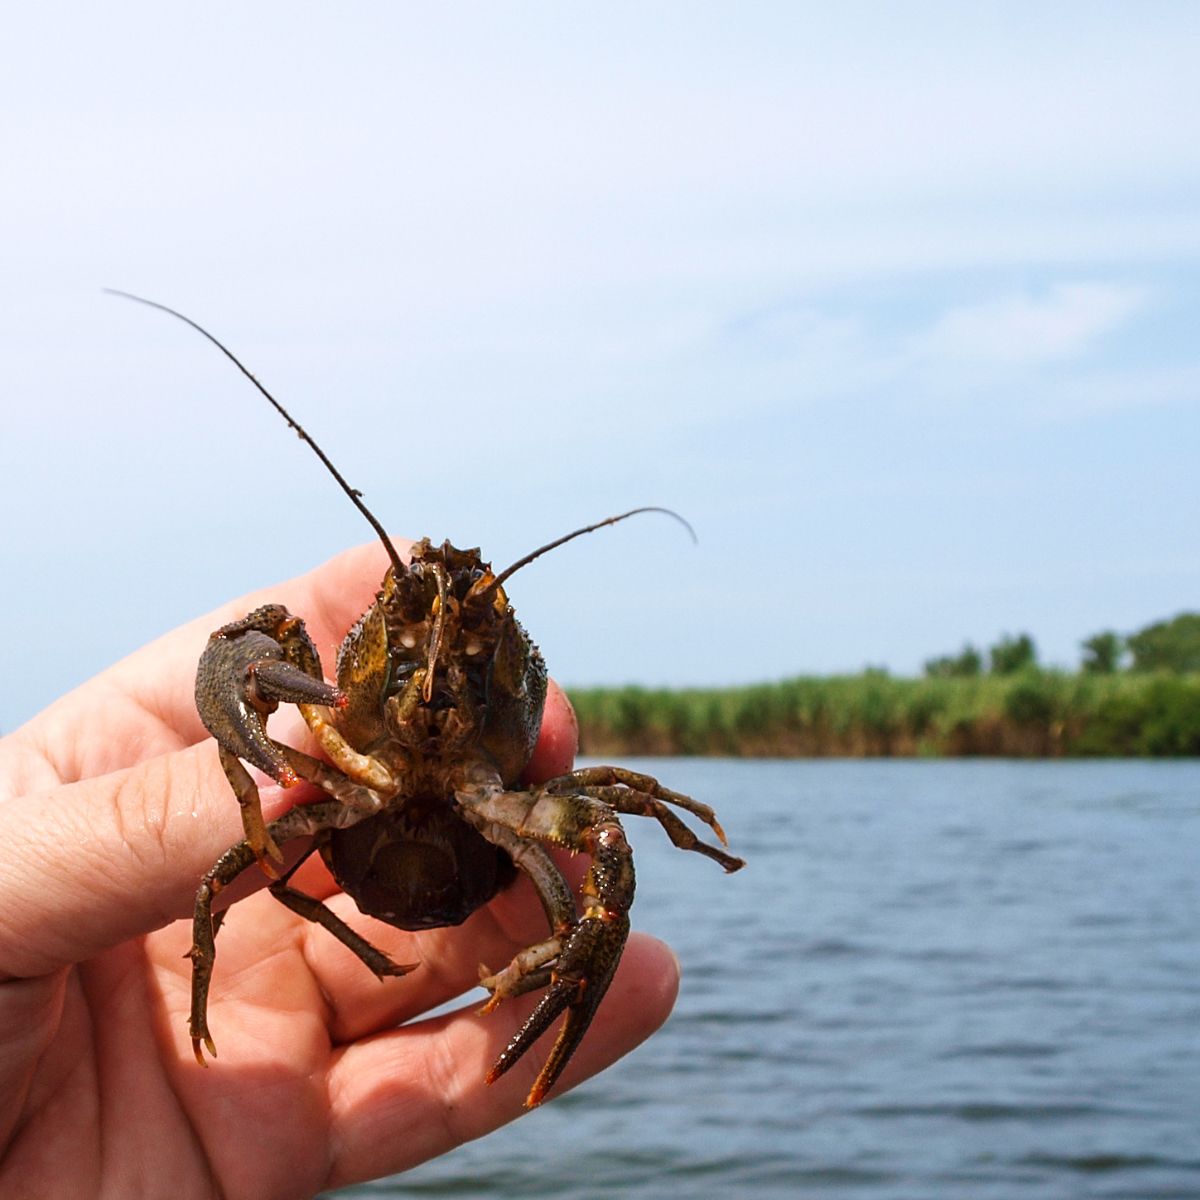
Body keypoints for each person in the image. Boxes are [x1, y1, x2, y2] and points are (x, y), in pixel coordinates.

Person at [0, 542, 680, 1199]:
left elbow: (606, 844)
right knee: (217, 885)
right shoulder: (315, 690)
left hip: (485, 832)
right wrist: (251, 767)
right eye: (415, 632)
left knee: (595, 881)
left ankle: (526, 980)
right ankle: (202, 1014)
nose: (437, 661)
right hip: (375, 823)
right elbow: (247, 641)